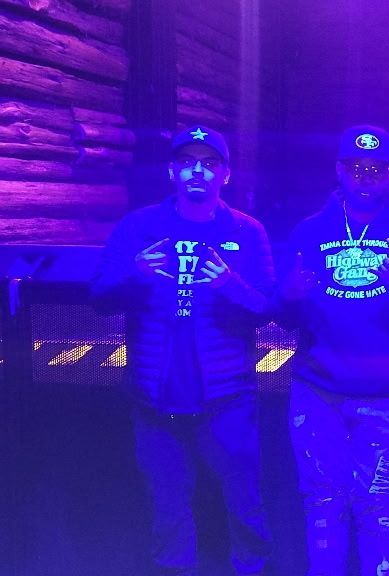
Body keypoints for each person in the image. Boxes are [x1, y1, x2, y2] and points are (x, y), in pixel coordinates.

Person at [90, 124, 274, 576]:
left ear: (225, 175)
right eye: (187, 162)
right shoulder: (140, 227)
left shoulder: (246, 231)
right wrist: (133, 272)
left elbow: (268, 309)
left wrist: (230, 284)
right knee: (167, 511)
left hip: (228, 398)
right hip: (154, 400)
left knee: (245, 506)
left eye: (209, 163)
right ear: (172, 171)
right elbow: (99, 298)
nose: (197, 171)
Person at [278, 125, 389, 576]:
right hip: (318, 391)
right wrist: (288, 296)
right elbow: (283, 314)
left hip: (388, 396)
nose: (365, 177)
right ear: (339, 171)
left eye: (376, 169)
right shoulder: (310, 231)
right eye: (356, 168)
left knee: (380, 509)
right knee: (322, 506)